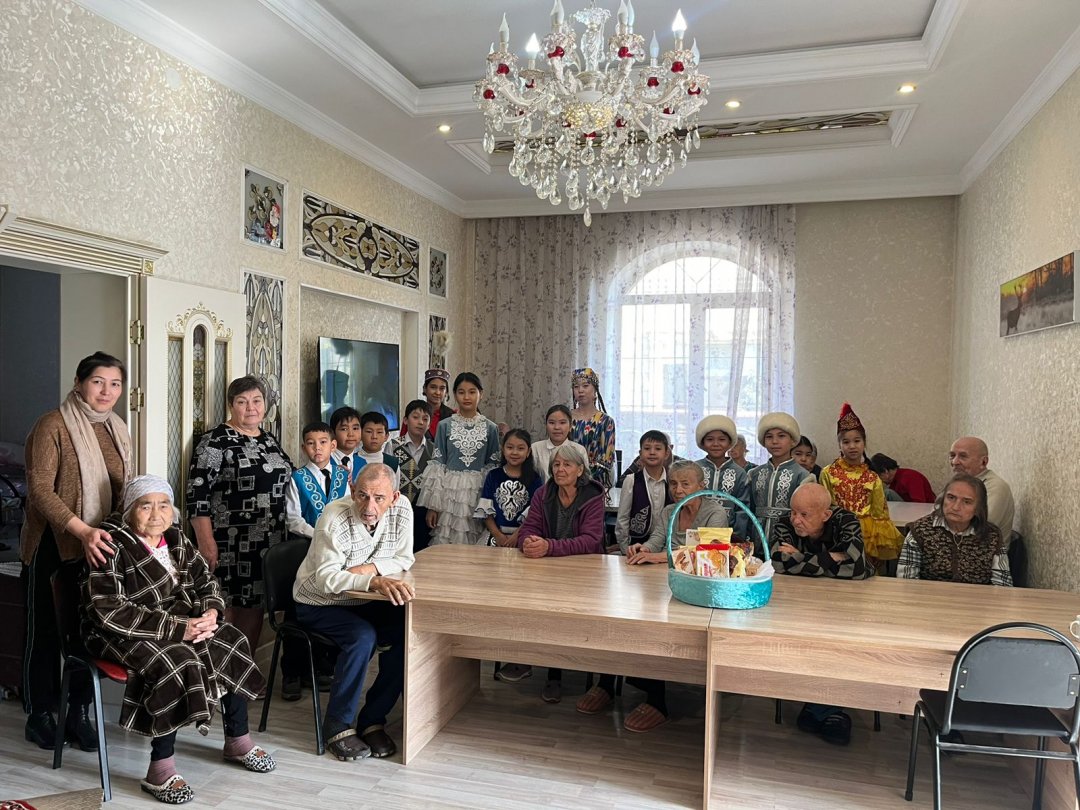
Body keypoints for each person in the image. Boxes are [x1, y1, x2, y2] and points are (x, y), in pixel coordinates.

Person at [83, 476, 273, 804]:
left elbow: (206, 580)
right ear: (129, 511)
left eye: (164, 505)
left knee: (229, 639)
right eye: (145, 506)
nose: (156, 514)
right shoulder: (111, 545)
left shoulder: (176, 539)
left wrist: (211, 612)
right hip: (120, 631)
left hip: (180, 620)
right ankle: (160, 767)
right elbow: (108, 610)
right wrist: (178, 628)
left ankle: (237, 739)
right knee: (177, 660)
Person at [21, 351, 133, 750]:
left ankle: (78, 713)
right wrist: (82, 530)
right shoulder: (52, 424)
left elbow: (123, 490)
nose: (107, 391)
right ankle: (40, 714)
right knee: (46, 633)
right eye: (98, 381)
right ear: (79, 383)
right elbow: (40, 491)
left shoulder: (117, 427)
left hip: (101, 547)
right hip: (55, 545)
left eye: (115, 384)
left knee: (90, 631)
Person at [578, 461, 726, 731]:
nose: (678, 490)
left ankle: (657, 700)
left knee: (658, 630)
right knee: (623, 616)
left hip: (700, 591)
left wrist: (659, 557)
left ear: (701, 486)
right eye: (674, 484)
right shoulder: (670, 511)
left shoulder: (715, 512)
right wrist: (643, 549)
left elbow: (709, 556)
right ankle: (607, 682)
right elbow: (657, 540)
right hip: (665, 584)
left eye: (686, 484)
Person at [293, 464, 416, 761]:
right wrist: (373, 581)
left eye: (379, 498)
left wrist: (368, 569)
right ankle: (337, 725)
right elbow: (327, 579)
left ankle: (373, 719)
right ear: (352, 491)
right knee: (362, 637)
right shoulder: (333, 517)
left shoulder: (403, 509)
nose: (369, 507)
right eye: (362, 496)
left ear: (394, 497)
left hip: (363, 601)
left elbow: (404, 557)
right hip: (318, 602)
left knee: (405, 632)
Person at [187, 376, 296, 692]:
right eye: (242, 402)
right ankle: (219, 678)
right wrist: (205, 542)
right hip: (230, 541)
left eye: (256, 401)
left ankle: (242, 675)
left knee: (255, 606)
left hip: (267, 543)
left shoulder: (269, 439)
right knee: (227, 607)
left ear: (265, 405)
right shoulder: (215, 441)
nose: (251, 408)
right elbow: (197, 495)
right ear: (231, 405)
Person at [771, 483, 871, 745]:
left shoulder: (846, 521)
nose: (796, 520)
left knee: (839, 642)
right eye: (794, 512)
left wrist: (801, 557)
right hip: (799, 602)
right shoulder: (784, 522)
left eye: (804, 515)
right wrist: (832, 558)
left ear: (826, 515)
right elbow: (779, 563)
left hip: (847, 602)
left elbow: (857, 568)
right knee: (797, 640)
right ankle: (822, 707)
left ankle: (824, 707)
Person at [516, 443, 606, 704]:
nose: (560, 469)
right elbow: (529, 527)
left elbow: (591, 541)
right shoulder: (544, 493)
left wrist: (550, 547)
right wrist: (529, 542)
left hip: (585, 571)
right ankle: (536, 664)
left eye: (567, 464)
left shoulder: (592, 496)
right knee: (533, 606)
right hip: (549, 567)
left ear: (580, 470)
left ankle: (574, 669)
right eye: (556, 464)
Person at [418, 372, 501, 545]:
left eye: (472, 392)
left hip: (478, 494)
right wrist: (434, 506)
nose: (467, 397)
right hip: (449, 496)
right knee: (447, 543)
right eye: (461, 392)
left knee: (477, 543)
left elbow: (493, 466)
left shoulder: (491, 428)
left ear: (481, 394)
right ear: (454, 395)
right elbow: (438, 465)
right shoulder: (444, 426)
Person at [819, 404, 903, 569]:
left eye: (857, 441)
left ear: (864, 443)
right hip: (838, 531)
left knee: (866, 574)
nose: (852, 446)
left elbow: (879, 513)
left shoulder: (872, 477)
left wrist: (878, 546)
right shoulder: (828, 473)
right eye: (846, 442)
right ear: (839, 445)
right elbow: (824, 506)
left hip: (867, 536)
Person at [897, 473, 1012, 585]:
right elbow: (907, 583)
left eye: (967, 502)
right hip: (928, 596)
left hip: (978, 597)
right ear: (943, 500)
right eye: (951, 498)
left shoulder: (992, 536)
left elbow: (1002, 585)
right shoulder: (920, 530)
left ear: (978, 508)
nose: (956, 507)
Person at [748, 413, 811, 548]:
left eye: (781, 436)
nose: (775, 441)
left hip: (788, 541)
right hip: (756, 539)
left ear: (793, 440)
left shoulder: (803, 476)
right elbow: (749, 508)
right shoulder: (754, 474)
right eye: (769, 437)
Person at [476, 429, 542, 549]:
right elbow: (485, 511)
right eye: (510, 447)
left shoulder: (535, 479)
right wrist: (497, 535)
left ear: (528, 452)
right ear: (503, 449)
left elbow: (534, 513)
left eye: (520, 448)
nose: (514, 452)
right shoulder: (493, 475)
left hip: (523, 536)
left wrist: (517, 535)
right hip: (495, 536)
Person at [285, 421, 349, 539]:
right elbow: (293, 520)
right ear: (304, 448)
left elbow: (349, 510)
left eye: (323, 442)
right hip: (308, 543)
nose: (317, 447)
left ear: (333, 446)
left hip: (340, 541)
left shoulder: (343, 475)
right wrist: (319, 536)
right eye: (310, 443)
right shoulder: (297, 478)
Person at [614, 430, 673, 555]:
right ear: (640, 453)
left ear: (666, 453)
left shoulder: (672, 481)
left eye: (658, 449)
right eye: (647, 448)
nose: (652, 452)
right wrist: (625, 549)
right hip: (636, 545)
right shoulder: (631, 480)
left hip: (665, 546)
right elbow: (623, 518)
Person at [387, 400, 433, 552]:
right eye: (415, 417)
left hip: (424, 510)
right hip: (398, 508)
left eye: (425, 419)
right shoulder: (393, 445)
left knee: (422, 550)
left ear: (429, 424)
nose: (420, 422)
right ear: (406, 420)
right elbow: (387, 477)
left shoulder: (434, 449)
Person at [948, 437, 1015, 540]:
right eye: (952, 456)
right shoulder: (960, 484)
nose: (954, 461)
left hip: (980, 547)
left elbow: (979, 528)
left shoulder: (995, 486)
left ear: (983, 462)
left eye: (963, 456)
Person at [694, 415, 750, 538]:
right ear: (702, 443)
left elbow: (742, 509)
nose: (716, 444)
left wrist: (736, 536)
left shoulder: (740, 473)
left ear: (730, 443)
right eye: (710, 439)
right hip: (696, 531)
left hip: (728, 533)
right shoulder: (694, 468)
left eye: (722, 439)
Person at [569, 368, 616, 490]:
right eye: (576, 387)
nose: (580, 390)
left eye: (585, 386)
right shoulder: (565, 418)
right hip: (566, 479)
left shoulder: (605, 421)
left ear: (595, 390)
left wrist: (583, 476)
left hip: (594, 483)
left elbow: (607, 459)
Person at [531, 404, 586, 483]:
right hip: (542, 490)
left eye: (562, 423)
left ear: (570, 426)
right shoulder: (535, 448)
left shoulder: (579, 450)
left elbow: (585, 480)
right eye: (552, 423)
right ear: (546, 425)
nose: (557, 427)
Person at [399, 369, 454, 441]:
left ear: (446, 392)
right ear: (425, 389)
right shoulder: (413, 412)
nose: (437, 392)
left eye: (442, 388)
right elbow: (402, 442)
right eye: (433, 387)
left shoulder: (452, 416)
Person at [869, 454, 935, 503]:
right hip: (910, 511)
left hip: (924, 511)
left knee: (887, 493)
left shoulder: (910, 477)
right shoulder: (894, 482)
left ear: (885, 471)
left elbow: (919, 504)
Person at [358, 411, 400, 486]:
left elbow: (394, 489)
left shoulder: (392, 463)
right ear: (360, 434)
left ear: (386, 436)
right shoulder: (351, 460)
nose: (374, 436)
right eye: (369, 431)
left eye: (379, 432)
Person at [330, 406, 365, 482]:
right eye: (344, 429)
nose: (351, 434)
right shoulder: (323, 462)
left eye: (355, 428)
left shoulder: (362, 463)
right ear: (332, 432)